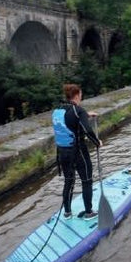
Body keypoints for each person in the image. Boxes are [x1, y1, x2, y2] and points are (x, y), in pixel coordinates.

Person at [51, 83, 100, 219]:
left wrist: (86, 115)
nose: (81, 98)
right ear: (77, 95)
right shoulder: (79, 111)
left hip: (62, 152)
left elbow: (69, 121)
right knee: (87, 180)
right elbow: (87, 131)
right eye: (81, 95)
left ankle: (67, 212)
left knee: (69, 181)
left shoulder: (58, 110)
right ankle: (89, 212)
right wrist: (97, 142)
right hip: (78, 152)